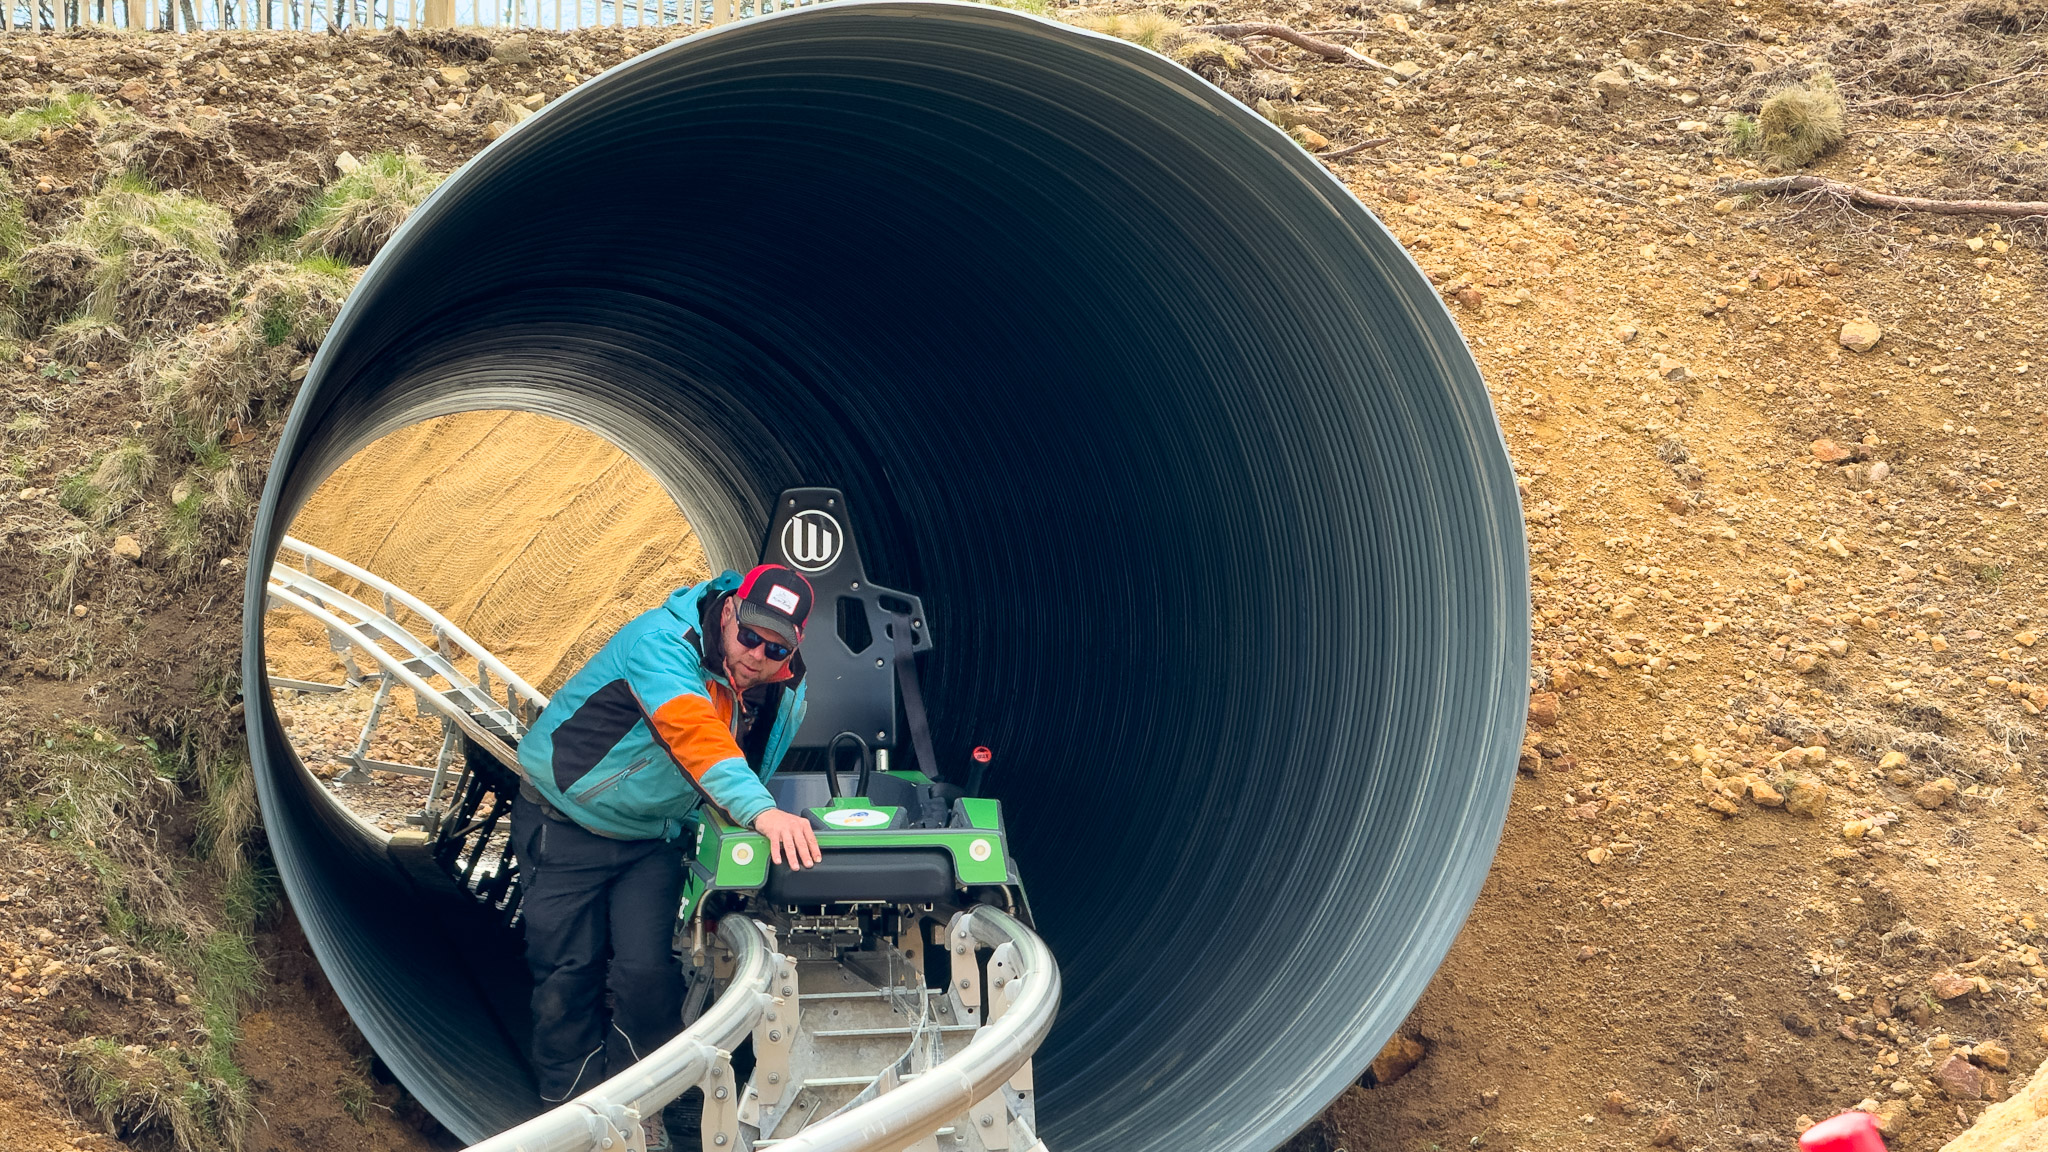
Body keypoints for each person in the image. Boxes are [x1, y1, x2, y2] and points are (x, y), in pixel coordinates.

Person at [511, 563, 823, 1148]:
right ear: (729, 611)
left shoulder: (786, 686)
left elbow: (755, 754)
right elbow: (696, 734)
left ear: (794, 647)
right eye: (749, 635)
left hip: (653, 836)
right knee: (567, 970)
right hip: (568, 822)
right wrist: (763, 811)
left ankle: (636, 1105)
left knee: (648, 975)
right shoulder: (660, 643)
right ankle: (569, 1115)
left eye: (774, 647)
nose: (756, 655)